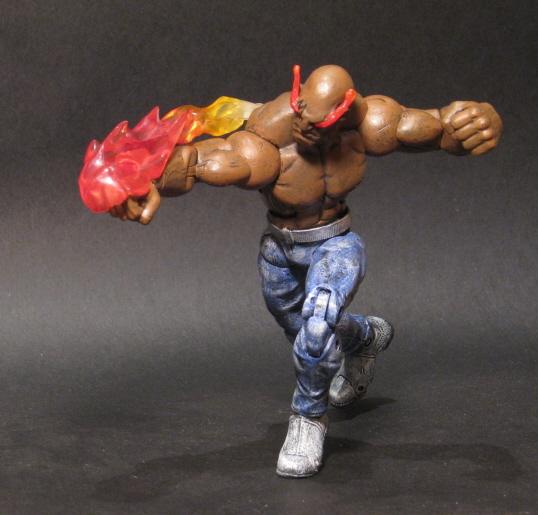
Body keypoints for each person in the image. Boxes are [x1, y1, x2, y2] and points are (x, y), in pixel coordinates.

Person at [109, 64, 503, 478]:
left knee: (317, 329)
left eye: (320, 124)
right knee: (302, 329)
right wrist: (144, 178)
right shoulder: (268, 139)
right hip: (280, 251)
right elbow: (202, 161)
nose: (305, 128)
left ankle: (308, 418)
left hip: (336, 244)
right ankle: (365, 337)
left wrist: (475, 123)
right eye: (301, 113)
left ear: (346, 112)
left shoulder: (373, 123)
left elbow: (442, 128)